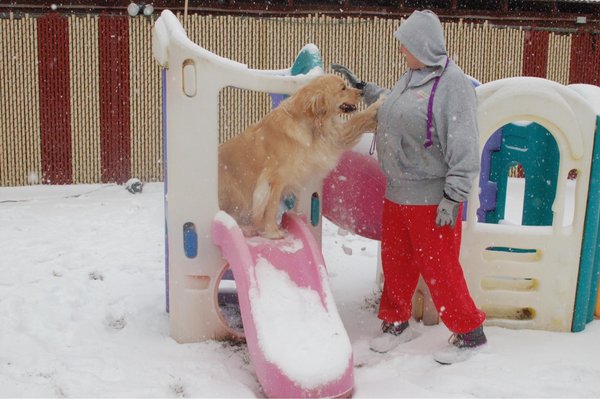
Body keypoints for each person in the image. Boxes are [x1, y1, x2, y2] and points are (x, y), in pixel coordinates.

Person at [332, 9, 487, 364]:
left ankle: (469, 332)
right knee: (396, 263)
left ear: (425, 45)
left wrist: (453, 196)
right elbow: (397, 108)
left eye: (406, 46)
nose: (402, 52)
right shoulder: (412, 76)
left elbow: (465, 145)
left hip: (434, 198)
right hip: (397, 191)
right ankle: (395, 322)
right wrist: (367, 91)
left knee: (440, 268)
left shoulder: (454, 86)